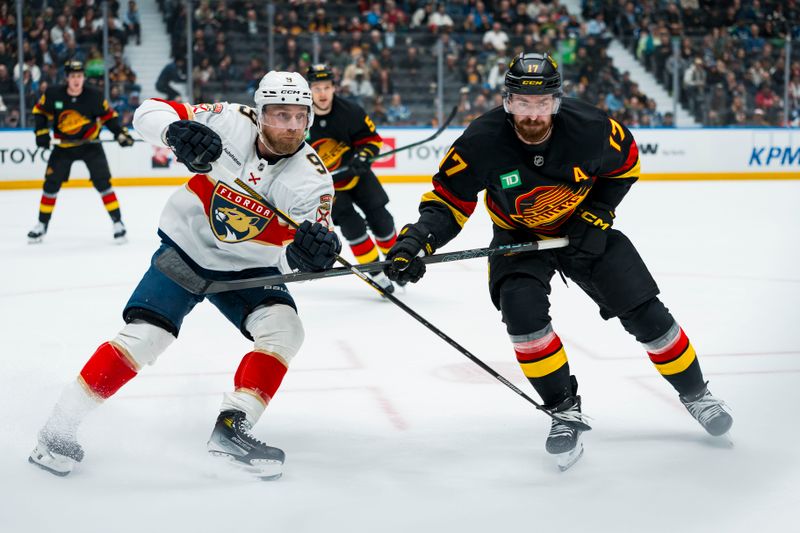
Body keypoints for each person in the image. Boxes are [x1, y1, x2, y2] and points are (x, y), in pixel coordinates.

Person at [384, 52, 733, 469]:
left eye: (542, 103)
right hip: (518, 236)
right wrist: (417, 241)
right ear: (507, 101)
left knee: (646, 313)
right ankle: (563, 409)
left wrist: (599, 211)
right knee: (523, 319)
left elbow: (626, 164)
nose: (533, 114)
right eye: (522, 103)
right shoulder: (481, 141)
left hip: (583, 228)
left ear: (557, 101)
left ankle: (698, 394)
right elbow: (448, 201)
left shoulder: (593, 128)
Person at [28, 71, 340, 479]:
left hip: (248, 268)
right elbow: (147, 112)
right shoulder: (229, 120)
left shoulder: (313, 180)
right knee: (146, 337)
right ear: (260, 113)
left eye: (300, 117)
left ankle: (232, 430)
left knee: (285, 330)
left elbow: (302, 248)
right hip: (186, 249)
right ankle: (58, 428)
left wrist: (308, 257)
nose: (292, 127)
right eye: (281, 116)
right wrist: (175, 130)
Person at [306, 63, 399, 293]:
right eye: (317, 88)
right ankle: (376, 273)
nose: (322, 93)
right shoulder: (300, 119)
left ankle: (398, 261)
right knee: (353, 227)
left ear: (334, 88)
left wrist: (363, 155)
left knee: (382, 220)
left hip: (358, 176)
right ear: (309, 90)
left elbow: (372, 140)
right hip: (328, 188)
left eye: (326, 87)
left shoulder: (351, 111)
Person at [28, 60, 135, 243]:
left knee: (104, 184)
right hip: (63, 147)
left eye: (79, 76)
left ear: (83, 77)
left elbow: (108, 116)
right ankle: (41, 225)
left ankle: (118, 223)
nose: (76, 80)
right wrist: (41, 132)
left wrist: (120, 133)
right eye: (73, 76)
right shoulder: (53, 93)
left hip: (90, 145)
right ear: (67, 78)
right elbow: (40, 111)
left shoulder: (94, 95)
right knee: (50, 186)